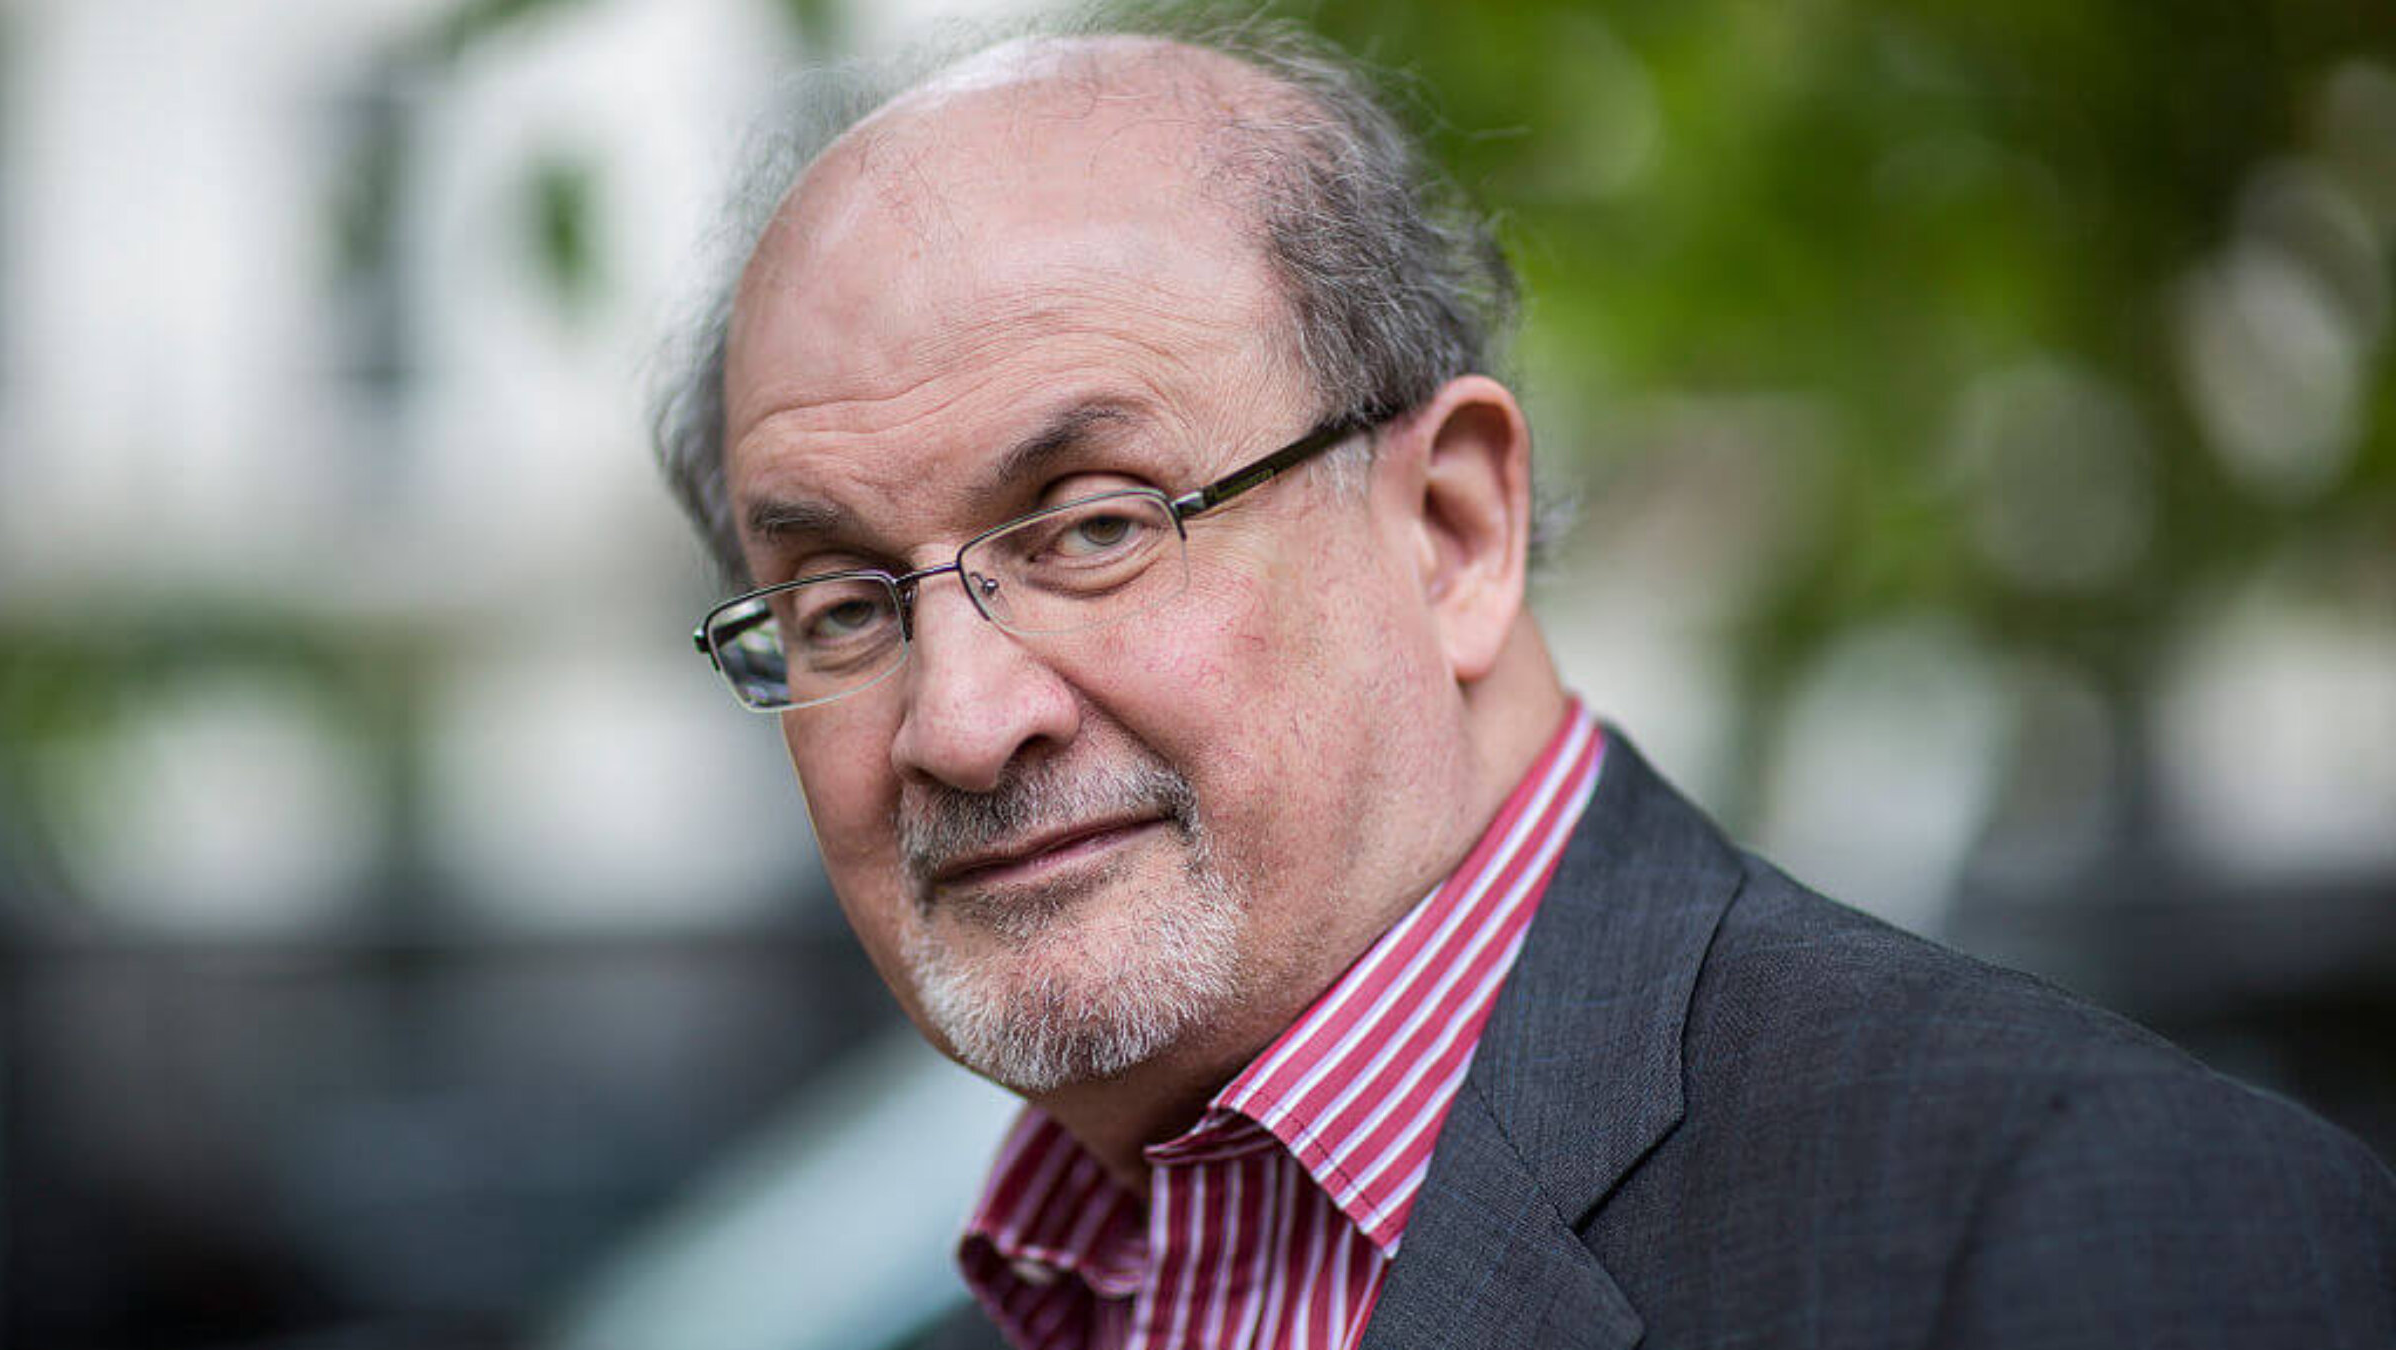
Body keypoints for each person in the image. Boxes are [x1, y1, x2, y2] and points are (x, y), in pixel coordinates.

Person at [653, 19, 2396, 1350]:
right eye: (840, 608)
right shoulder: (1020, 1299)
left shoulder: (2090, 1230)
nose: (961, 718)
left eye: (1098, 526)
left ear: (1452, 528)